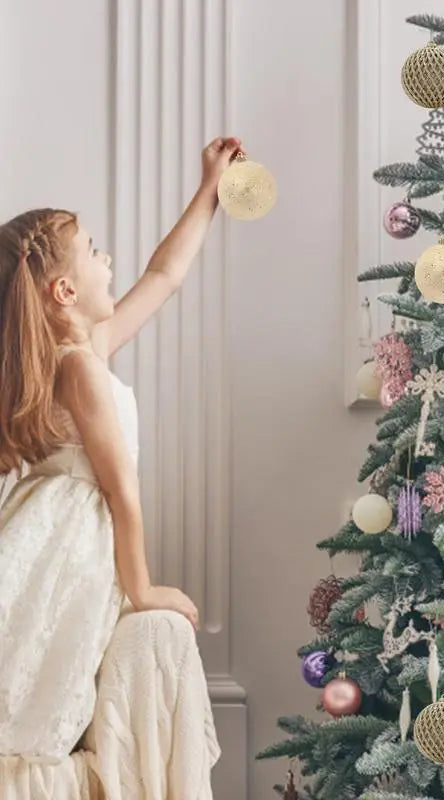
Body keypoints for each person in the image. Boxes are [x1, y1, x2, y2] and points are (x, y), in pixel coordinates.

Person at [0, 136, 240, 798]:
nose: (111, 259)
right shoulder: (79, 367)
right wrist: (143, 589)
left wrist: (208, 195)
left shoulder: (77, 351)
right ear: (65, 288)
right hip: (70, 546)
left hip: (51, 531)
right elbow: (121, 492)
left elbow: (164, 277)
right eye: (96, 251)